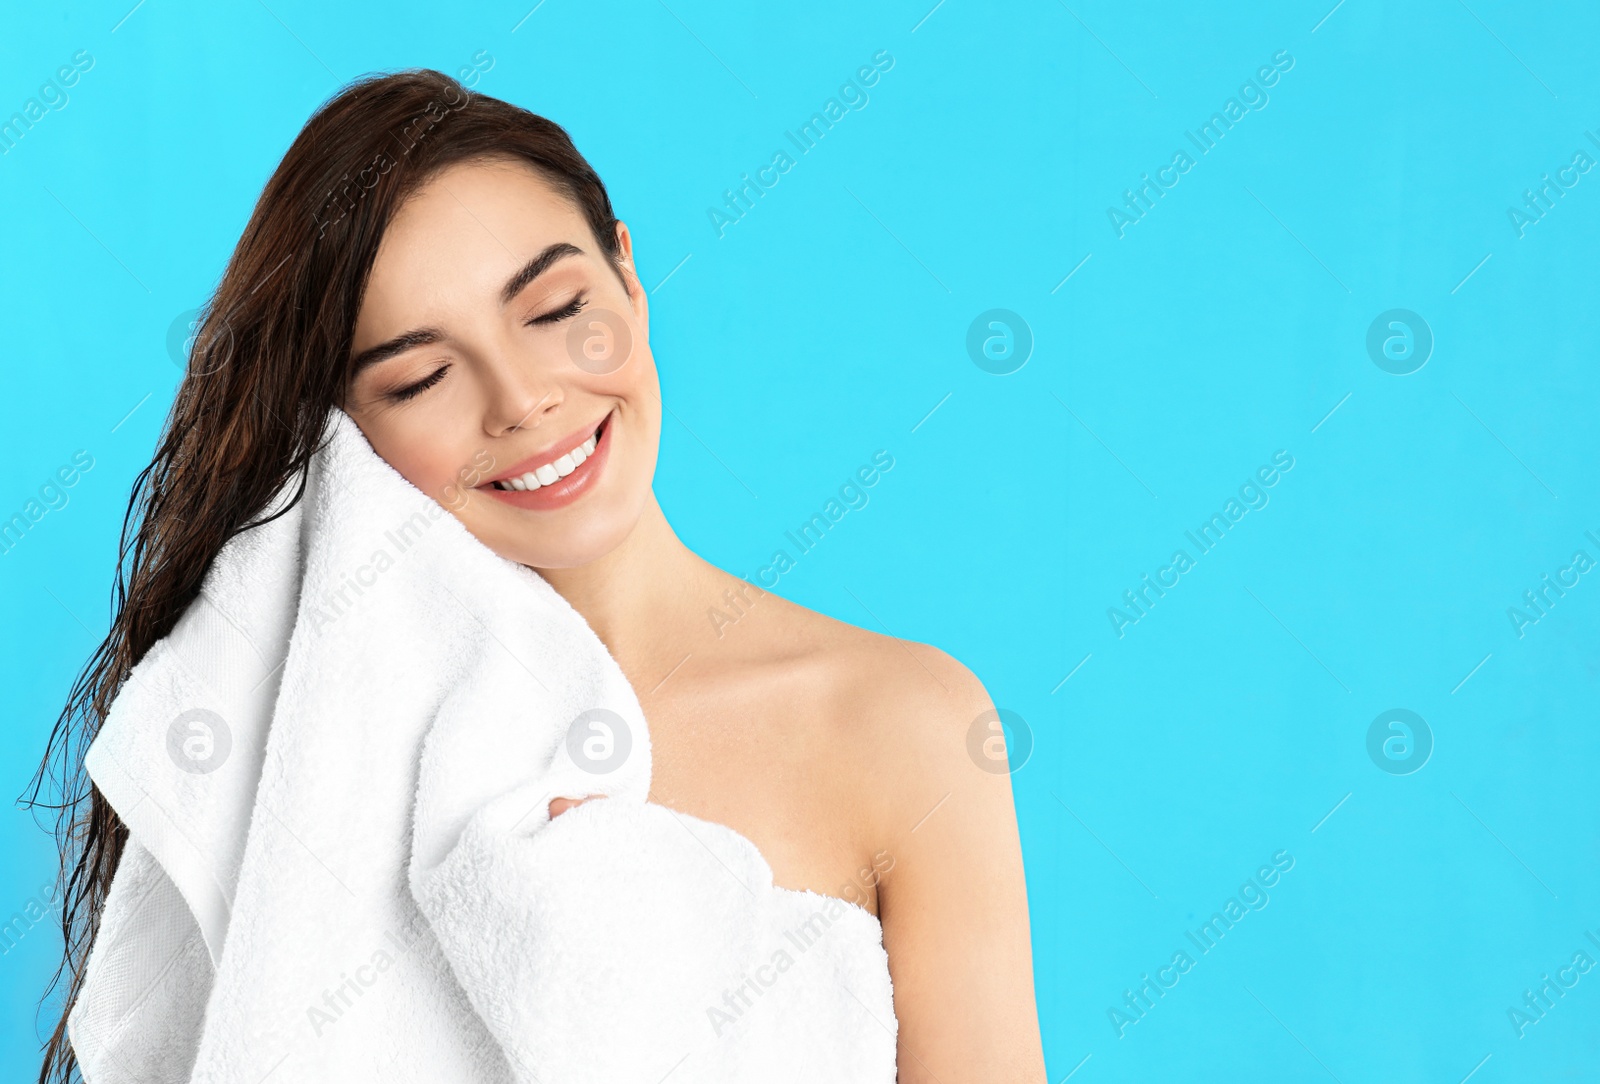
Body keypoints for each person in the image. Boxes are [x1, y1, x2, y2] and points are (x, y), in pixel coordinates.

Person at [30, 69, 1045, 1083]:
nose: (521, 399)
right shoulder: (322, 775)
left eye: (556, 307)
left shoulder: (906, 725)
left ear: (627, 278)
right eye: (421, 376)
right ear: (339, 442)